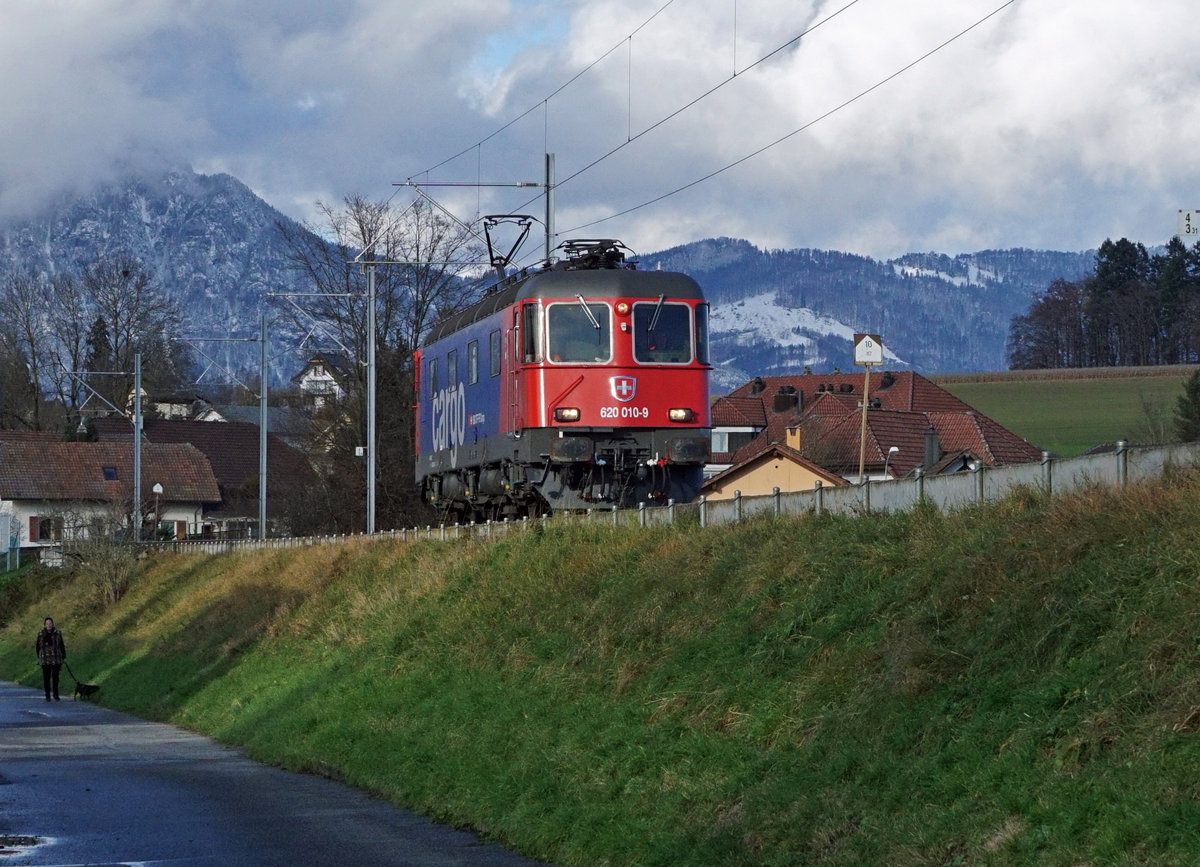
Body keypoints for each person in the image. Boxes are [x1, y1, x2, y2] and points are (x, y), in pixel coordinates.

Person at [35, 617, 66, 701]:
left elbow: (61, 645)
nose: (49, 625)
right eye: (47, 624)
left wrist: (63, 656)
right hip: (45, 659)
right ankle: (47, 694)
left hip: (56, 659)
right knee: (46, 678)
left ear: (53, 624)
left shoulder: (58, 633)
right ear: (44, 625)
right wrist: (39, 657)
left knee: (55, 677)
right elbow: (37, 646)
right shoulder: (41, 633)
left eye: (50, 623)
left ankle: (56, 694)